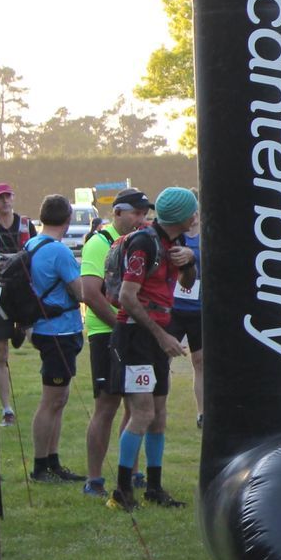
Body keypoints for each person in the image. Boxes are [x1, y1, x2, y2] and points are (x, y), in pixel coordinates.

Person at [109, 186, 198, 511]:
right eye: (194, 211)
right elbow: (127, 297)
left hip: (158, 332)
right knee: (143, 412)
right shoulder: (144, 243)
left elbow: (186, 284)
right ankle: (121, 490)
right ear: (184, 215)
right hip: (136, 337)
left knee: (159, 416)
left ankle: (154, 488)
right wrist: (162, 336)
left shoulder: (175, 243)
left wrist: (189, 262)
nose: (195, 217)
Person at [80, 190, 148, 496]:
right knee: (106, 406)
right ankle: (94, 479)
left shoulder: (141, 242)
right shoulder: (100, 243)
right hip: (106, 333)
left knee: (136, 406)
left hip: (133, 333)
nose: (141, 219)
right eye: (135, 213)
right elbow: (90, 293)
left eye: (144, 213)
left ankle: (131, 473)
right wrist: (118, 326)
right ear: (118, 212)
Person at [25, 195, 86, 484]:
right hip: (59, 332)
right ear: (68, 219)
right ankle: (40, 466)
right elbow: (80, 291)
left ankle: (53, 461)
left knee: (58, 399)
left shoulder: (32, 244)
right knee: (51, 400)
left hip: (43, 328)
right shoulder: (59, 252)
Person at [0, 182, 35, 428]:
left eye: (7, 196)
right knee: (0, 352)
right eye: (0, 198)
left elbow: (37, 257)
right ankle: (7, 409)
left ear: (13, 198)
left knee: (39, 339)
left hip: (22, 294)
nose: (4, 201)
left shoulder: (26, 225)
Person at [171, 210, 206, 425]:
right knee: (163, 358)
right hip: (174, 307)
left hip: (199, 308)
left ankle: (202, 413)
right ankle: (157, 408)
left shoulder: (206, 237)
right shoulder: (176, 237)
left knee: (200, 361)